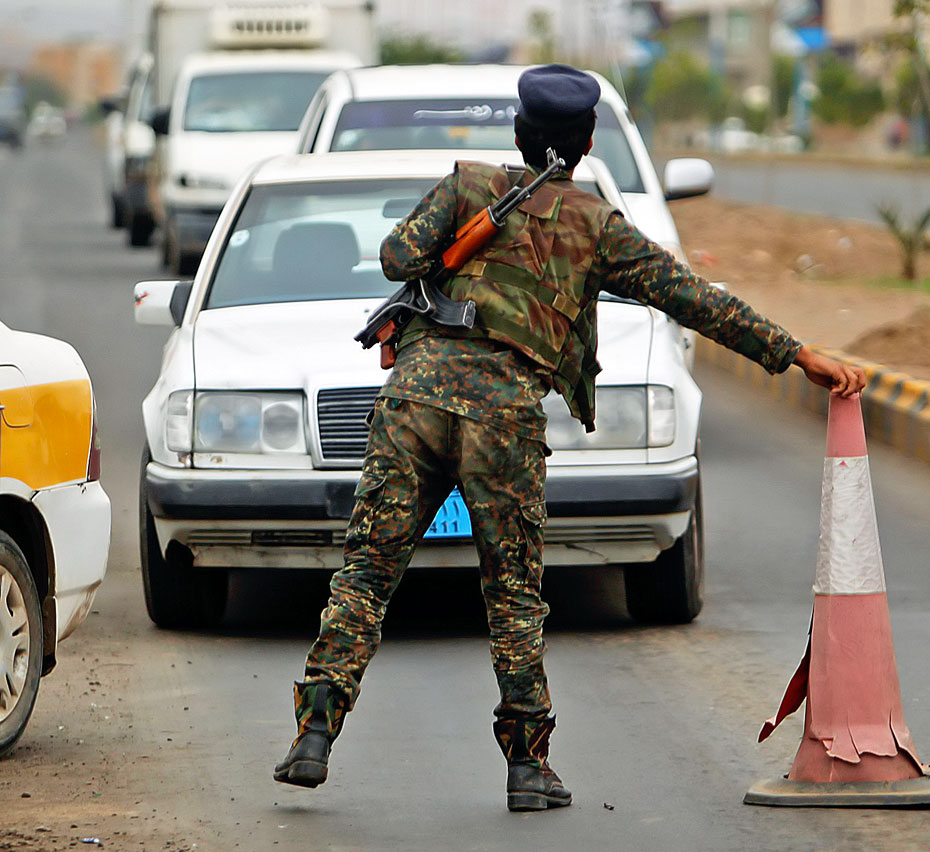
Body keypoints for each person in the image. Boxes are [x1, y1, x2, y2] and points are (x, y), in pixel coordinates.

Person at [274, 63, 867, 810]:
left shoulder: (465, 185)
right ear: (587, 142)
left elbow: (396, 258)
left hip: (413, 402)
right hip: (503, 417)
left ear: (519, 135)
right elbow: (693, 298)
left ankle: (314, 732)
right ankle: (528, 768)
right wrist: (796, 354)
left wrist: (456, 245)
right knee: (514, 594)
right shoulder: (596, 226)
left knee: (366, 575)